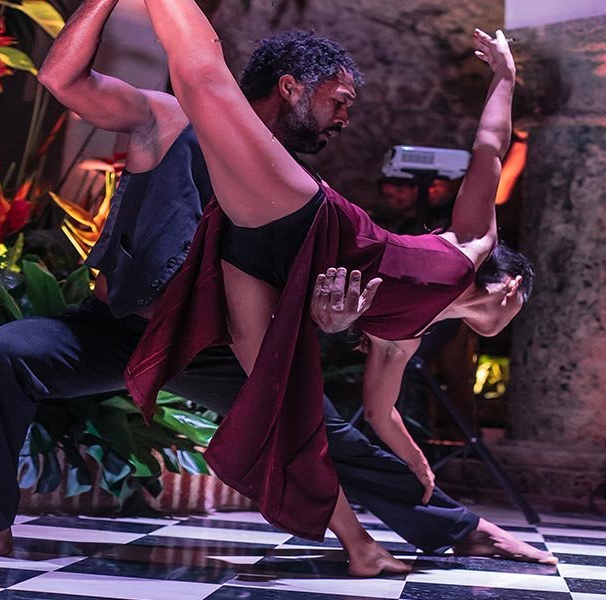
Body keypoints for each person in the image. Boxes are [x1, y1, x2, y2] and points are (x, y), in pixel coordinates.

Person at [0, 0, 554, 572]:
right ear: (291, 88)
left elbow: (291, 303)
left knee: (324, 433)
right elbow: (62, 81)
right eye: (337, 101)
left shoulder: (282, 193)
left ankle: (459, 529)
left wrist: (330, 320)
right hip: (120, 330)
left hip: (212, 345)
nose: (344, 120)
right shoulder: (169, 121)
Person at [127, 0, 552, 573]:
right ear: (510, 289)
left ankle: (362, 549)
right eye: (520, 310)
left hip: (271, 269)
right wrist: (505, 76)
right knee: (205, 85)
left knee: (287, 411)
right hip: (313, 222)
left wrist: (415, 462)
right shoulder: (471, 243)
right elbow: (490, 146)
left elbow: (382, 413)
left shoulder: (405, 336)